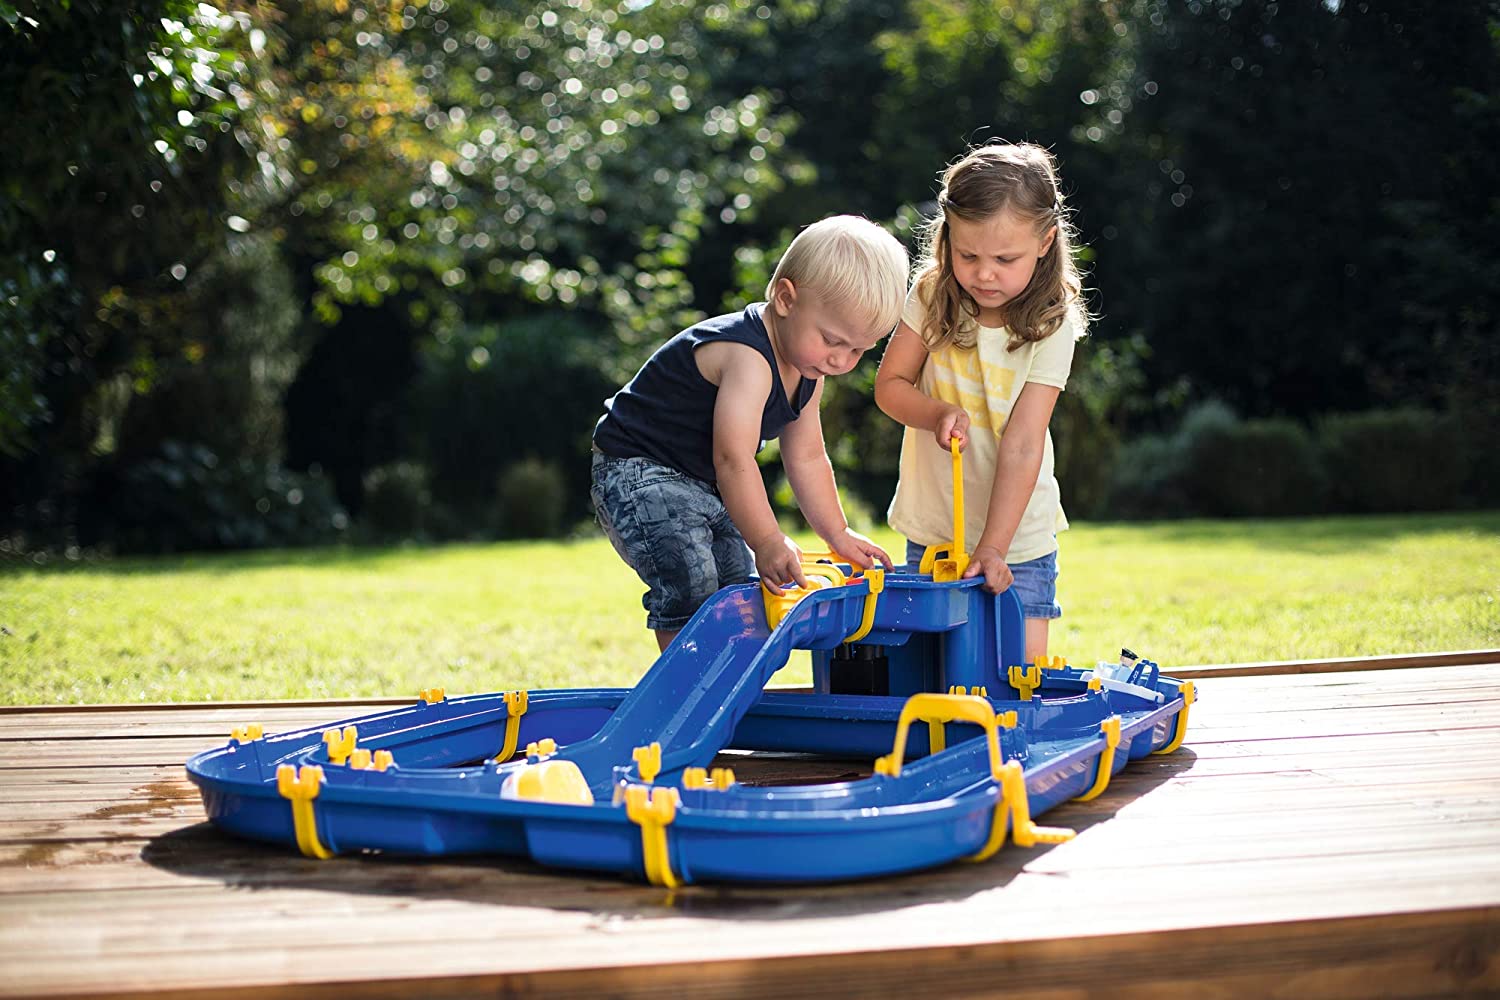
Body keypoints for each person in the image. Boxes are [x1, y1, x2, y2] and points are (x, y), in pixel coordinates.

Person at [591, 215, 906, 651]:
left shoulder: (809, 370)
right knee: (692, 580)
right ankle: (686, 689)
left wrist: (837, 533)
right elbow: (733, 459)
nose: (841, 360)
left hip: (701, 481)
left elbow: (809, 456)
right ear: (784, 298)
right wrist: (768, 540)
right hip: (640, 469)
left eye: (858, 350)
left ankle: (724, 685)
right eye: (833, 340)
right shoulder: (747, 355)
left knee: (739, 583)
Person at [874, 142, 1090, 664]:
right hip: (935, 534)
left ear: (1045, 242)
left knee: (1020, 673)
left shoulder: (1053, 321)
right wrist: (935, 413)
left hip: (1019, 539)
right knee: (930, 674)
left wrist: (994, 547)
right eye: (968, 255)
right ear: (947, 237)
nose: (984, 273)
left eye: (1004, 259)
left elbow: (1022, 443)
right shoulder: (930, 295)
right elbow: (891, 385)